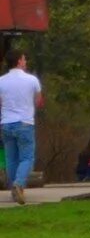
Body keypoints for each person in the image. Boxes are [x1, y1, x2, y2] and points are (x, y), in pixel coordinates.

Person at [0, 47, 41, 206]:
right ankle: (19, 184)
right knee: (27, 157)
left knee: (11, 158)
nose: (25, 61)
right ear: (19, 61)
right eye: (24, 59)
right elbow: (38, 101)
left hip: (6, 123)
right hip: (24, 123)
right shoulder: (32, 80)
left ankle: (14, 189)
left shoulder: (1, 81)